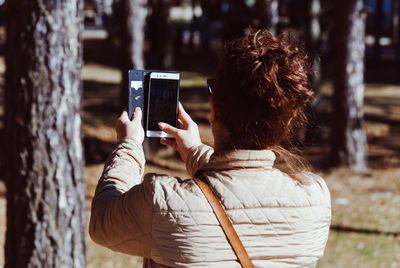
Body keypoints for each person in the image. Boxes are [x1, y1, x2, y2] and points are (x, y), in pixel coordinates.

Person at [89, 29, 331, 267]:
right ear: (287, 122)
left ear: (214, 109)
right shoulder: (314, 200)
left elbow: (102, 221)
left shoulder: (163, 204)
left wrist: (129, 145)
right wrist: (194, 150)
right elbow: (241, 193)